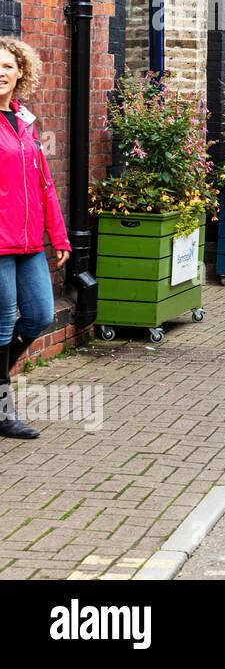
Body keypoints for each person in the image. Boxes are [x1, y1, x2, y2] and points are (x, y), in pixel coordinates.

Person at [0, 38, 70, 440]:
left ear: (21, 72)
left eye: (9, 66)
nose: (1, 73)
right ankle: (4, 412)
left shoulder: (25, 121)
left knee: (41, 315)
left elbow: (44, 184)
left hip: (29, 243)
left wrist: (57, 235)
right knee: (3, 324)